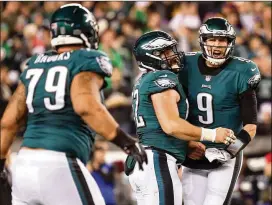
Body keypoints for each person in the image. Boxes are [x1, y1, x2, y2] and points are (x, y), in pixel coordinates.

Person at [0, 3, 147, 205]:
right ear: (87, 32)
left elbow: (9, 121)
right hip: (60, 164)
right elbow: (85, 105)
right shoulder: (85, 59)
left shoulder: (35, 64)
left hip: (24, 166)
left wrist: (1, 163)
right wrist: (126, 142)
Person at [125, 30, 235, 205]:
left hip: (147, 160)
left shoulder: (144, 79)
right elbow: (171, 125)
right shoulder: (162, 77)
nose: (173, 55)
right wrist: (212, 135)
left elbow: (158, 126)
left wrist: (185, 143)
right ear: (152, 56)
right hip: (157, 160)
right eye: (166, 52)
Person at [179, 17, 261, 205]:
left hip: (225, 156)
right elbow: (174, 114)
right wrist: (186, 143)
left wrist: (229, 151)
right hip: (193, 152)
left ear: (230, 43)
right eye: (212, 39)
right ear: (203, 41)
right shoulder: (185, 65)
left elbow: (250, 126)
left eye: (222, 40)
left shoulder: (242, 71)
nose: (217, 44)